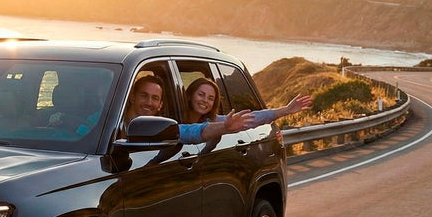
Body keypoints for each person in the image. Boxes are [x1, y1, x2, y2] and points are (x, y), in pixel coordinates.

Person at [124, 74, 313, 144]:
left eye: (210, 98)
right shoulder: (169, 117)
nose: (204, 101)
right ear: (189, 95)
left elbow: (252, 118)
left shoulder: (213, 122)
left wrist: (285, 110)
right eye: (201, 94)